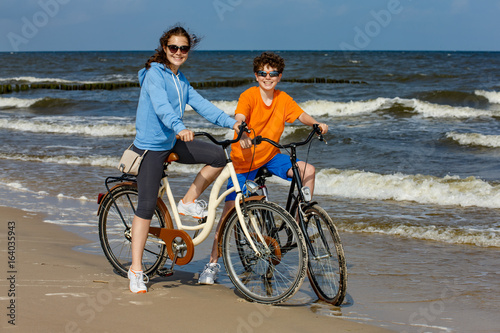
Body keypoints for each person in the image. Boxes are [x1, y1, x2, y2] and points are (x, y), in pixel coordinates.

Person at [198, 52, 328, 285]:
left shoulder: (283, 98)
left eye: (273, 73)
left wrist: (316, 123)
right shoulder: (248, 95)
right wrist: (243, 132)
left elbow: (300, 115)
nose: (268, 77)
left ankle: (300, 221)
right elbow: (240, 117)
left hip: (270, 156)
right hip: (244, 161)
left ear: (280, 76)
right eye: (262, 73)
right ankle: (213, 263)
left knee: (308, 170)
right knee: (228, 214)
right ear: (256, 75)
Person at [128, 25, 241, 293]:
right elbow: (161, 106)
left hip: (171, 141)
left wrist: (232, 122)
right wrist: (179, 126)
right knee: (145, 206)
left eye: (184, 48)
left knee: (218, 156)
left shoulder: (181, 80)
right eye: (173, 47)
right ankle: (135, 269)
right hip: (151, 147)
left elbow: (202, 105)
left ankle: (188, 202)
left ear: (188, 51)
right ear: (164, 48)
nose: (178, 52)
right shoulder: (155, 74)